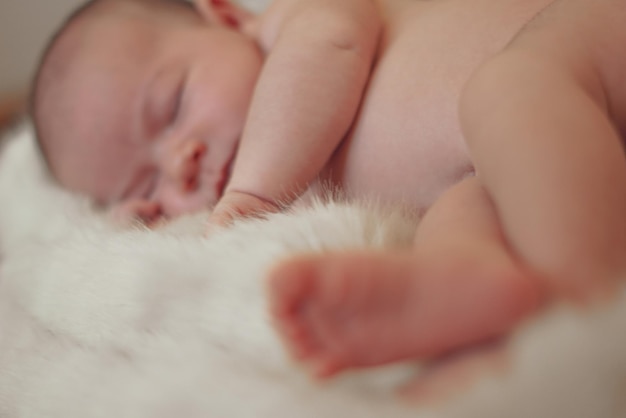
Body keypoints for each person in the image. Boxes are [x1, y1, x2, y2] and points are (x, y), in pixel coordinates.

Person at [32, 0, 626, 389]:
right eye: (148, 182)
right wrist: (138, 220)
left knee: (508, 87)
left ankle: (585, 319)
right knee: (457, 217)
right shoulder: (281, 175)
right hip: (500, 164)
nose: (179, 165)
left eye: (173, 105)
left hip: (580, 43)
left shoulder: (296, 25)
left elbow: (335, 44)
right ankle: (480, 292)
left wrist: (253, 196)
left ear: (226, 17)